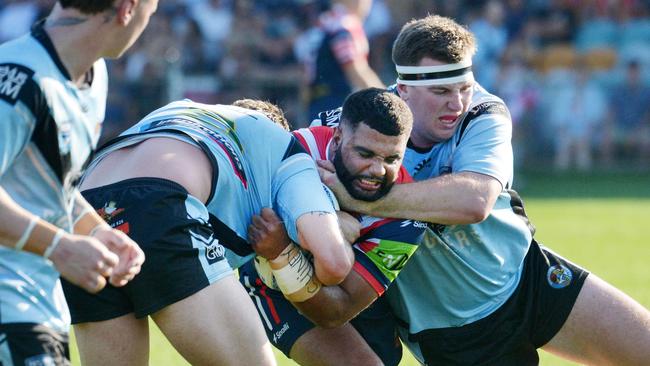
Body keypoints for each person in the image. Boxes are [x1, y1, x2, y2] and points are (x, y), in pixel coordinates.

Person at [315, 14, 650, 365]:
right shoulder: (359, 131)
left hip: (528, 276)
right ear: (403, 91)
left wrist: (360, 199)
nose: (457, 104)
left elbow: (475, 201)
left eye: (464, 88)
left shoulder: (484, 112)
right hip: (454, 332)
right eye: (441, 91)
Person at [61, 98, 354, 366]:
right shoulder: (281, 146)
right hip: (158, 202)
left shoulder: (180, 111)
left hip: (84, 214)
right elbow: (332, 261)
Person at [0, 1, 156, 364]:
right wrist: (60, 247)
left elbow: (50, 186)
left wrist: (95, 231)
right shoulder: (18, 76)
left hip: (39, 306)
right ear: (127, 9)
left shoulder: (93, 74)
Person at [240, 88, 426, 366]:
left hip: (342, 289)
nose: (377, 170)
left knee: (385, 358)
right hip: (270, 282)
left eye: (391, 160)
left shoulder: (406, 219)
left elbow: (336, 311)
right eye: (365, 154)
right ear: (337, 139)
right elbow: (255, 219)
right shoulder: (294, 149)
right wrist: (282, 252)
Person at [306, 0, 384, 118]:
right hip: (337, 103)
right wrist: (387, 98)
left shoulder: (323, 23)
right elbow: (356, 71)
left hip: (317, 102)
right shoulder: (344, 26)